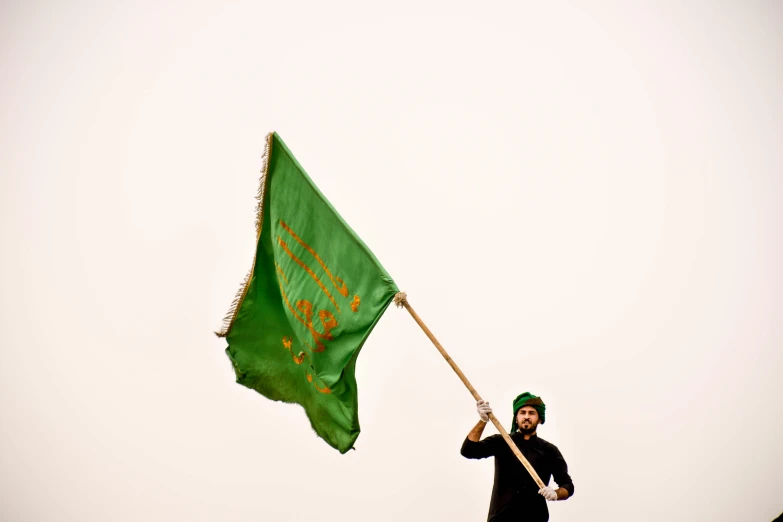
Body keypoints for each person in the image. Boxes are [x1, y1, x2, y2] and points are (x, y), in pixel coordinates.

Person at [461, 392, 574, 522]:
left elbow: (568, 485)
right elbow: (468, 450)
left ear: (540, 418)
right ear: (516, 418)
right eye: (522, 412)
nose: (526, 416)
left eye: (532, 413)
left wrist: (556, 493)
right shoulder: (502, 441)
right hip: (500, 518)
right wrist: (482, 421)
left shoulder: (549, 450)